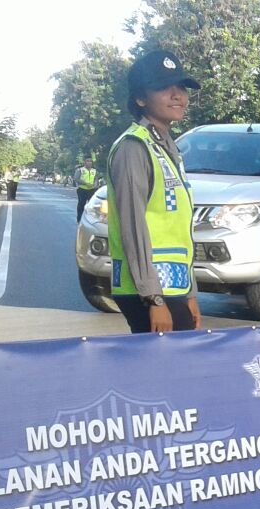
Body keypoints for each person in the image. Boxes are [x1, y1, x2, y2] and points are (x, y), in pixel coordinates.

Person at [106, 49, 202, 334]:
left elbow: (178, 230)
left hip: (172, 288)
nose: (177, 95)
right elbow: (133, 227)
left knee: (166, 372)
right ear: (140, 98)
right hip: (146, 290)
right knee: (166, 371)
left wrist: (190, 293)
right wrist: (153, 298)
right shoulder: (133, 148)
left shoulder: (167, 146)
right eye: (163, 87)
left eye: (181, 87)